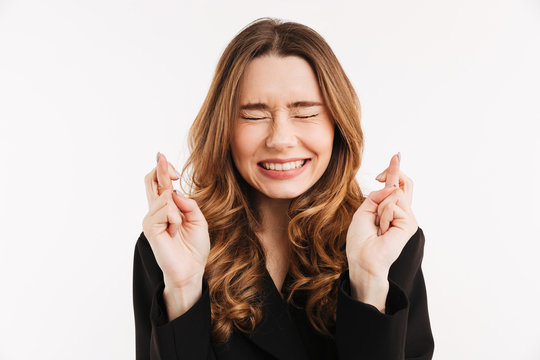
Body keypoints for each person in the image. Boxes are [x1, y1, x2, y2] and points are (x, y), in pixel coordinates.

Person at [133, 17, 434, 360]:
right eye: (253, 115)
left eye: (305, 113)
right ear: (223, 130)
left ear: (337, 125)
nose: (280, 140)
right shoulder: (169, 244)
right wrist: (184, 288)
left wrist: (368, 282)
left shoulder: (389, 241)